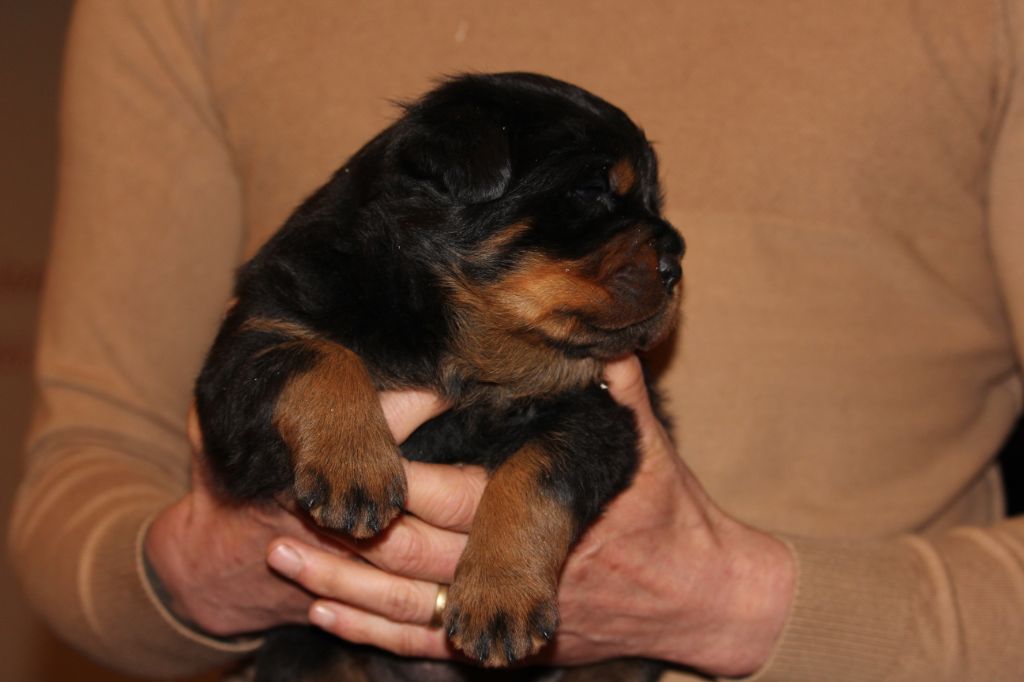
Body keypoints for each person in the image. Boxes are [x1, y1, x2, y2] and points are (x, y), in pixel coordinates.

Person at [9, 1, 1024, 680]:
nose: (660, 256)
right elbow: (91, 457)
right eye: (592, 205)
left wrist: (736, 604)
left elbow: (589, 442)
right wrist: (205, 569)